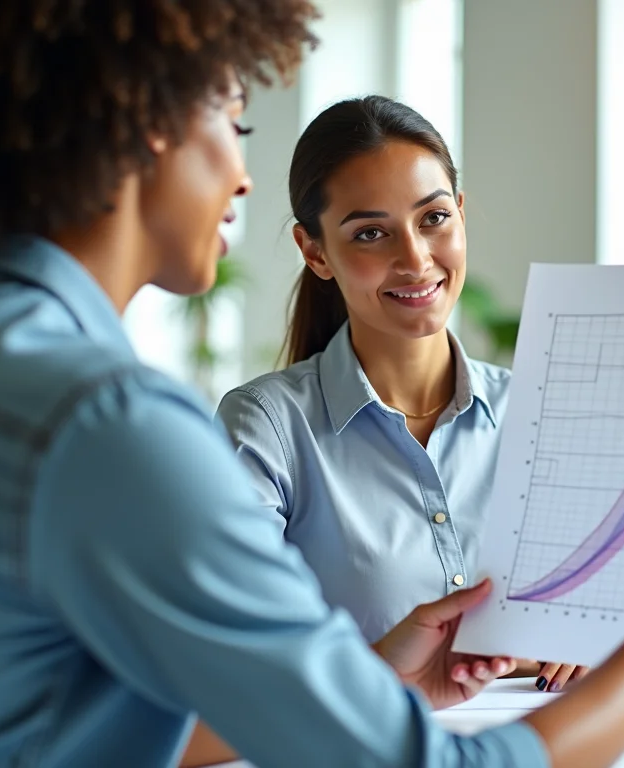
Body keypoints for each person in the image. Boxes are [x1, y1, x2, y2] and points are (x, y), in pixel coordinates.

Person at [0, 3, 624, 768]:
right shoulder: (104, 421)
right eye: (233, 119)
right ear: (143, 131)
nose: (245, 176)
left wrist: (380, 684)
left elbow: (67, 730)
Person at [217, 96, 580, 693]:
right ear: (316, 252)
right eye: (370, 233)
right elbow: (239, 654)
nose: (414, 258)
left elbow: (593, 614)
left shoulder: (537, 413)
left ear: (460, 215)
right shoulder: (265, 427)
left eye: (433, 218)